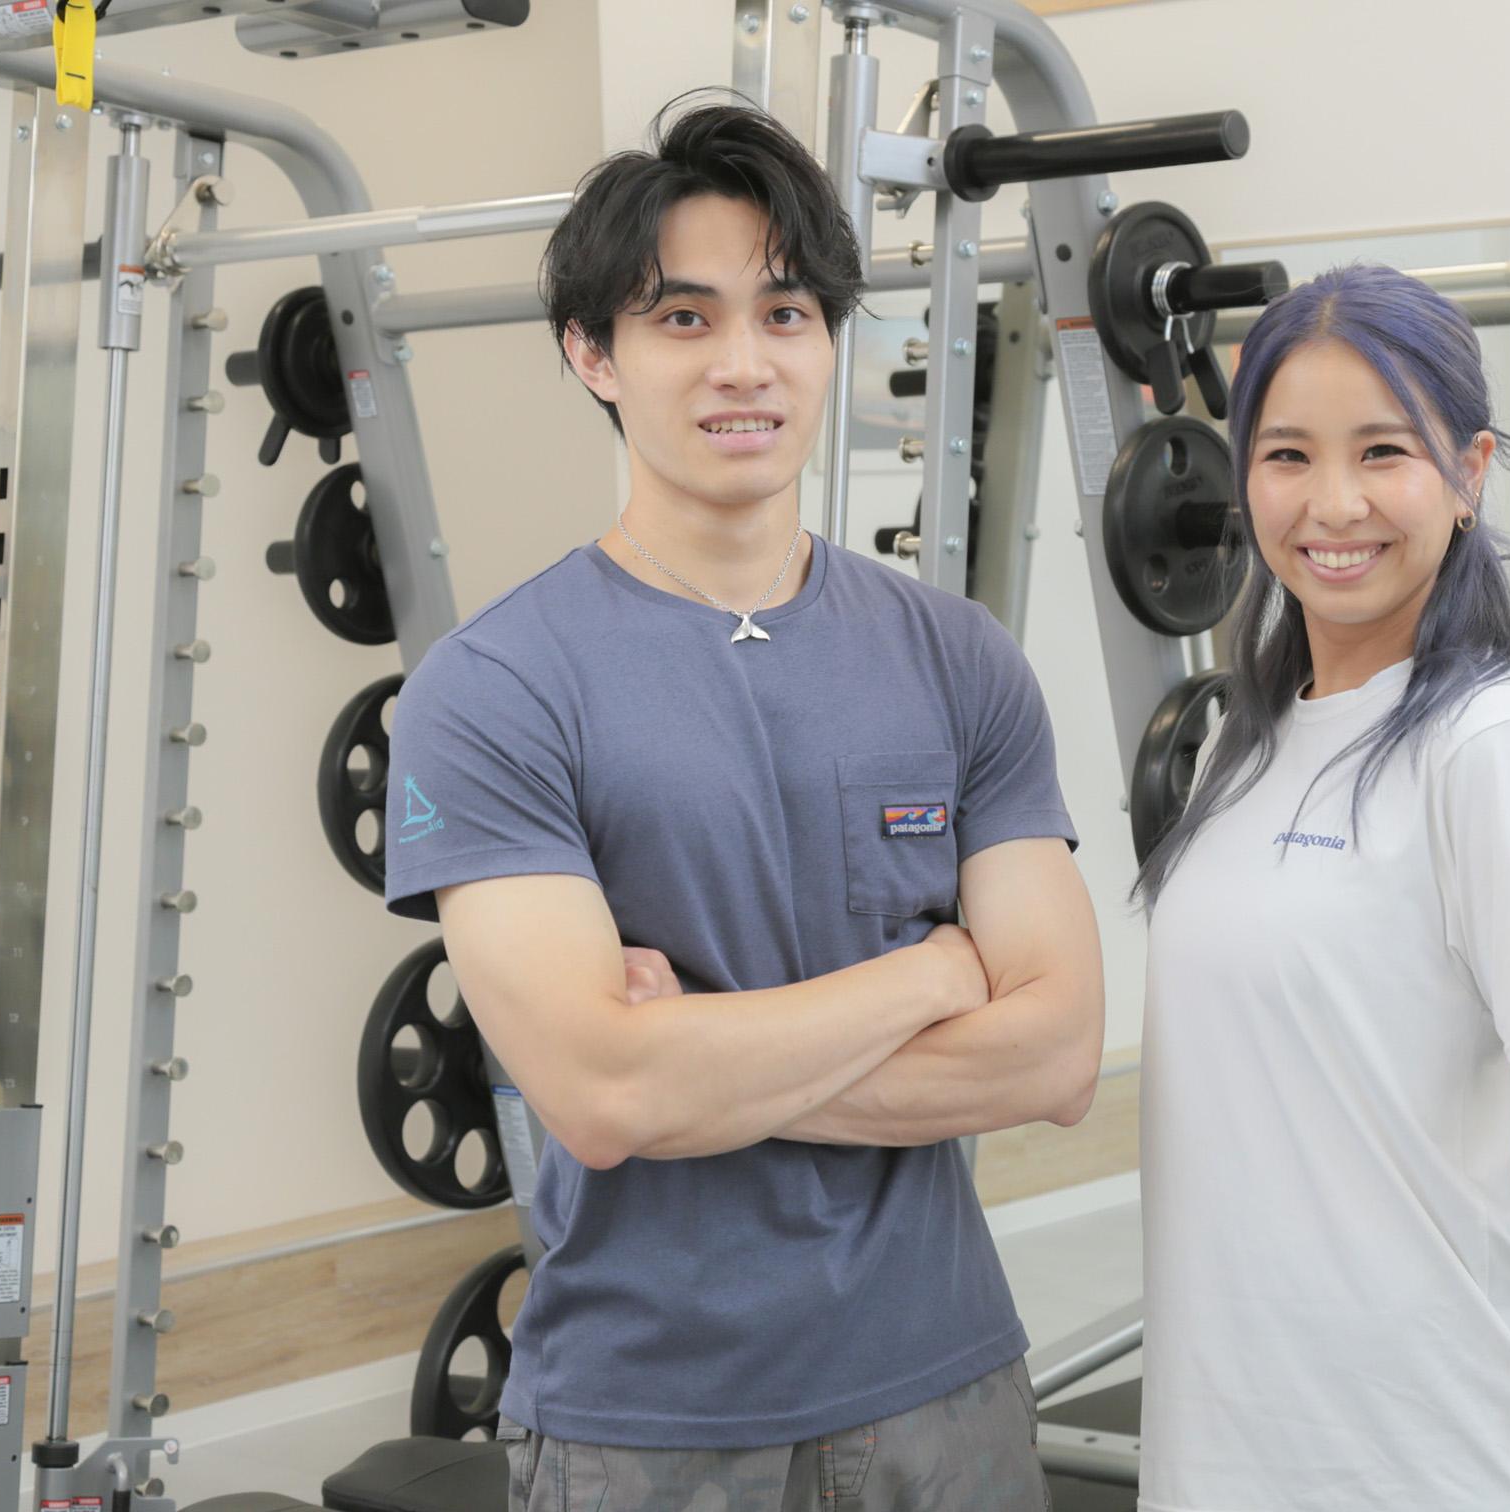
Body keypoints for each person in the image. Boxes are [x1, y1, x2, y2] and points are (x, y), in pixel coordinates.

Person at [383, 99, 1104, 1512]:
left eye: (785, 314)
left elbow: (1059, 1059)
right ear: (594, 354)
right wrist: (939, 972)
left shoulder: (958, 661)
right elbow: (602, 1093)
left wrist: (701, 1068)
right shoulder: (496, 688)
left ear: (831, 339)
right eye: (682, 320)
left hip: (951, 1391)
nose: (744, 365)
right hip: (646, 1426)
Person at [1133, 263, 1510, 1512]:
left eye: (1383, 452)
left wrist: (1377, 1165)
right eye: (1288, 456)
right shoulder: (1243, 744)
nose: (1334, 504)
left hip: (1437, 1450)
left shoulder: (1486, 755)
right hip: (1232, 1428)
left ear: (1468, 475)